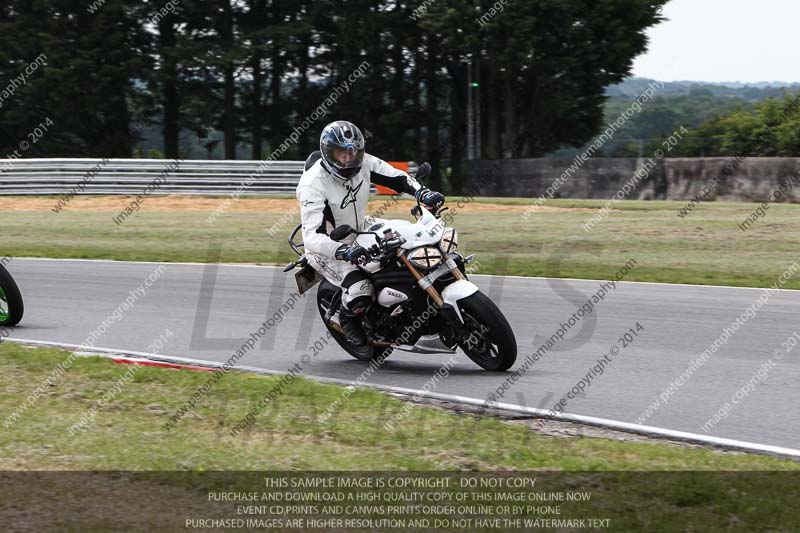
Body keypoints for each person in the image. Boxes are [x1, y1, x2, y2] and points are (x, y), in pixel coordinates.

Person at [296, 120, 444, 350]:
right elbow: (312, 237)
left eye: (353, 151)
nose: (349, 158)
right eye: (342, 153)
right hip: (330, 246)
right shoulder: (312, 185)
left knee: (409, 243)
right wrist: (343, 251)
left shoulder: (364, 162)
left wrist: (423, 193)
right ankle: (347, 319)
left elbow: (399, 178)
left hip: (360, 227)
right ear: (328, 152)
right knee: (360, 291)